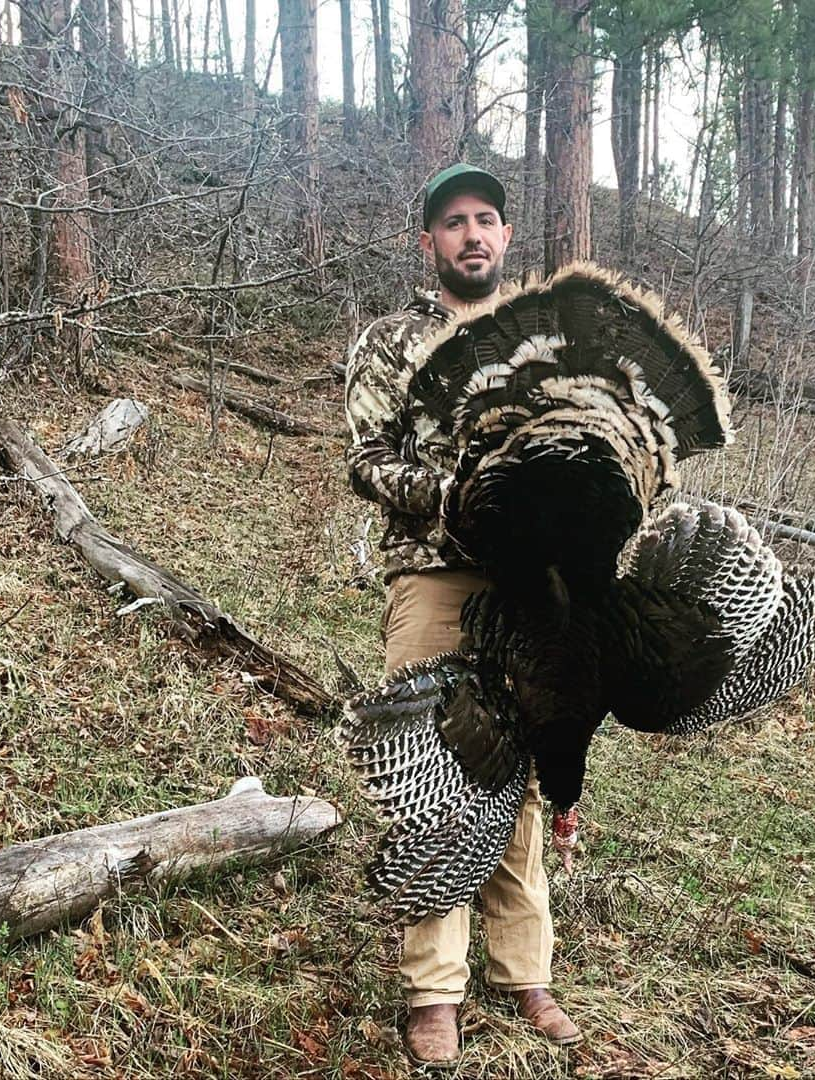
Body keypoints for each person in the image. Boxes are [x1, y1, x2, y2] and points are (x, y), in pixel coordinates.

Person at [342, 164, 582, 1068]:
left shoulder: (543, 343)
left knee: (517, 781)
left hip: (527, 592)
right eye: (454, 223)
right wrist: (456, 491)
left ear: (507, 237)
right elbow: (366, 459)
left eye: (486, 219)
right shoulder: (394, 340)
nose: (472, 235)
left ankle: (526, 973)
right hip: (435, 576)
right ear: (429, 244)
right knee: (433, 777)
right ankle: (433, 991)